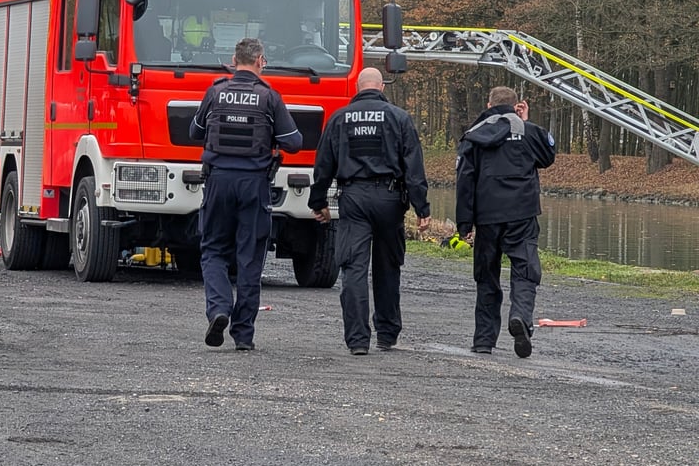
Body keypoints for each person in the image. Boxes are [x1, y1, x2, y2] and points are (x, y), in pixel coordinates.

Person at [190, 38, 303, 351]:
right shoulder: (269, 98)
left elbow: (194, 133)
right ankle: (243, 335)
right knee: (250, 257)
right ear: (261, 61)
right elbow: (293, 142)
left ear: (233, 60)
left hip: (218, 182)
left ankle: (219, 309)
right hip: (253, 185)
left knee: (212, 250)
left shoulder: (214, 92)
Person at [308, 67, 431, 356]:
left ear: (358, 88)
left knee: (353, 268)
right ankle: (387, 334)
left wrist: (318, 203)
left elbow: (323, 165)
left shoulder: (339, 118)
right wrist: (422, 207)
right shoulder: (399, 118)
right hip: (390, 198)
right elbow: (413, 168)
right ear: (381, 88)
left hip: (354, 197)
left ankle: (357, 340)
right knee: (388, 267)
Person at [456, 86, 555, 358]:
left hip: (487, 216)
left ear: (488, 105)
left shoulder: (474, 136)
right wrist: (525, 121)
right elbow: (548, 157)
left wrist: (464, 224)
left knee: (486, 276)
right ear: (516, 106)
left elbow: (465, 181)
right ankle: (521, 316)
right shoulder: (529, 132)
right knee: (525, 271)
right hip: (522, 214)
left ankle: (483, 341)